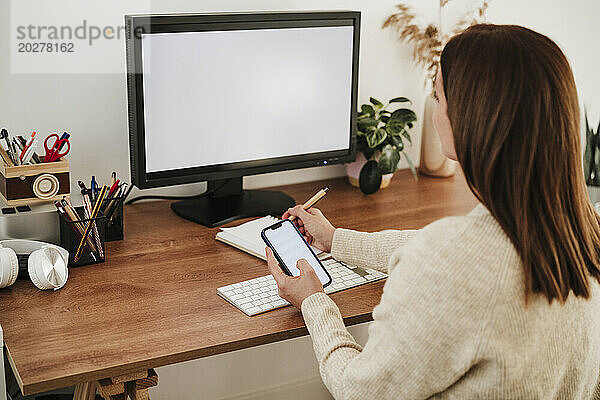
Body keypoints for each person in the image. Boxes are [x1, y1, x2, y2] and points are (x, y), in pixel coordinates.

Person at [265, 24, 600, 399]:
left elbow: (359, 391)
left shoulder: (448, 262)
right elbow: (445, 251)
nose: (434, 107)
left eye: (437, 95)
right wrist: (336, 240)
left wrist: (314, 302)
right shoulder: (582, 231)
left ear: (469, 118)